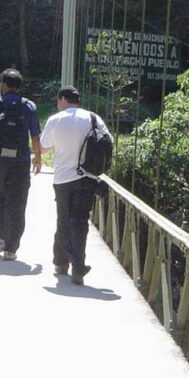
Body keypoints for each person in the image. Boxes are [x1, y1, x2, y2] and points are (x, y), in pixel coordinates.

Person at [38, 85, 110, 285]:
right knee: (79, 222)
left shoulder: (55, 120)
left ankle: (61, 262)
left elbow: (43, 149)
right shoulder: (94, 119)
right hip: (87, 178)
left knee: (63, 219)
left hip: (62, 179)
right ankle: (78, 266)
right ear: (77, 100)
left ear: (62, 99)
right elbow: (107, 143)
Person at [0, 69, 42, 260]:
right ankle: (11, 249)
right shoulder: (29, 106)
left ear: (3, 85)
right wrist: (37, 158)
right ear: (19, 86)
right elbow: (35, 136)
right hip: (21, 162)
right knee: (18, 202)